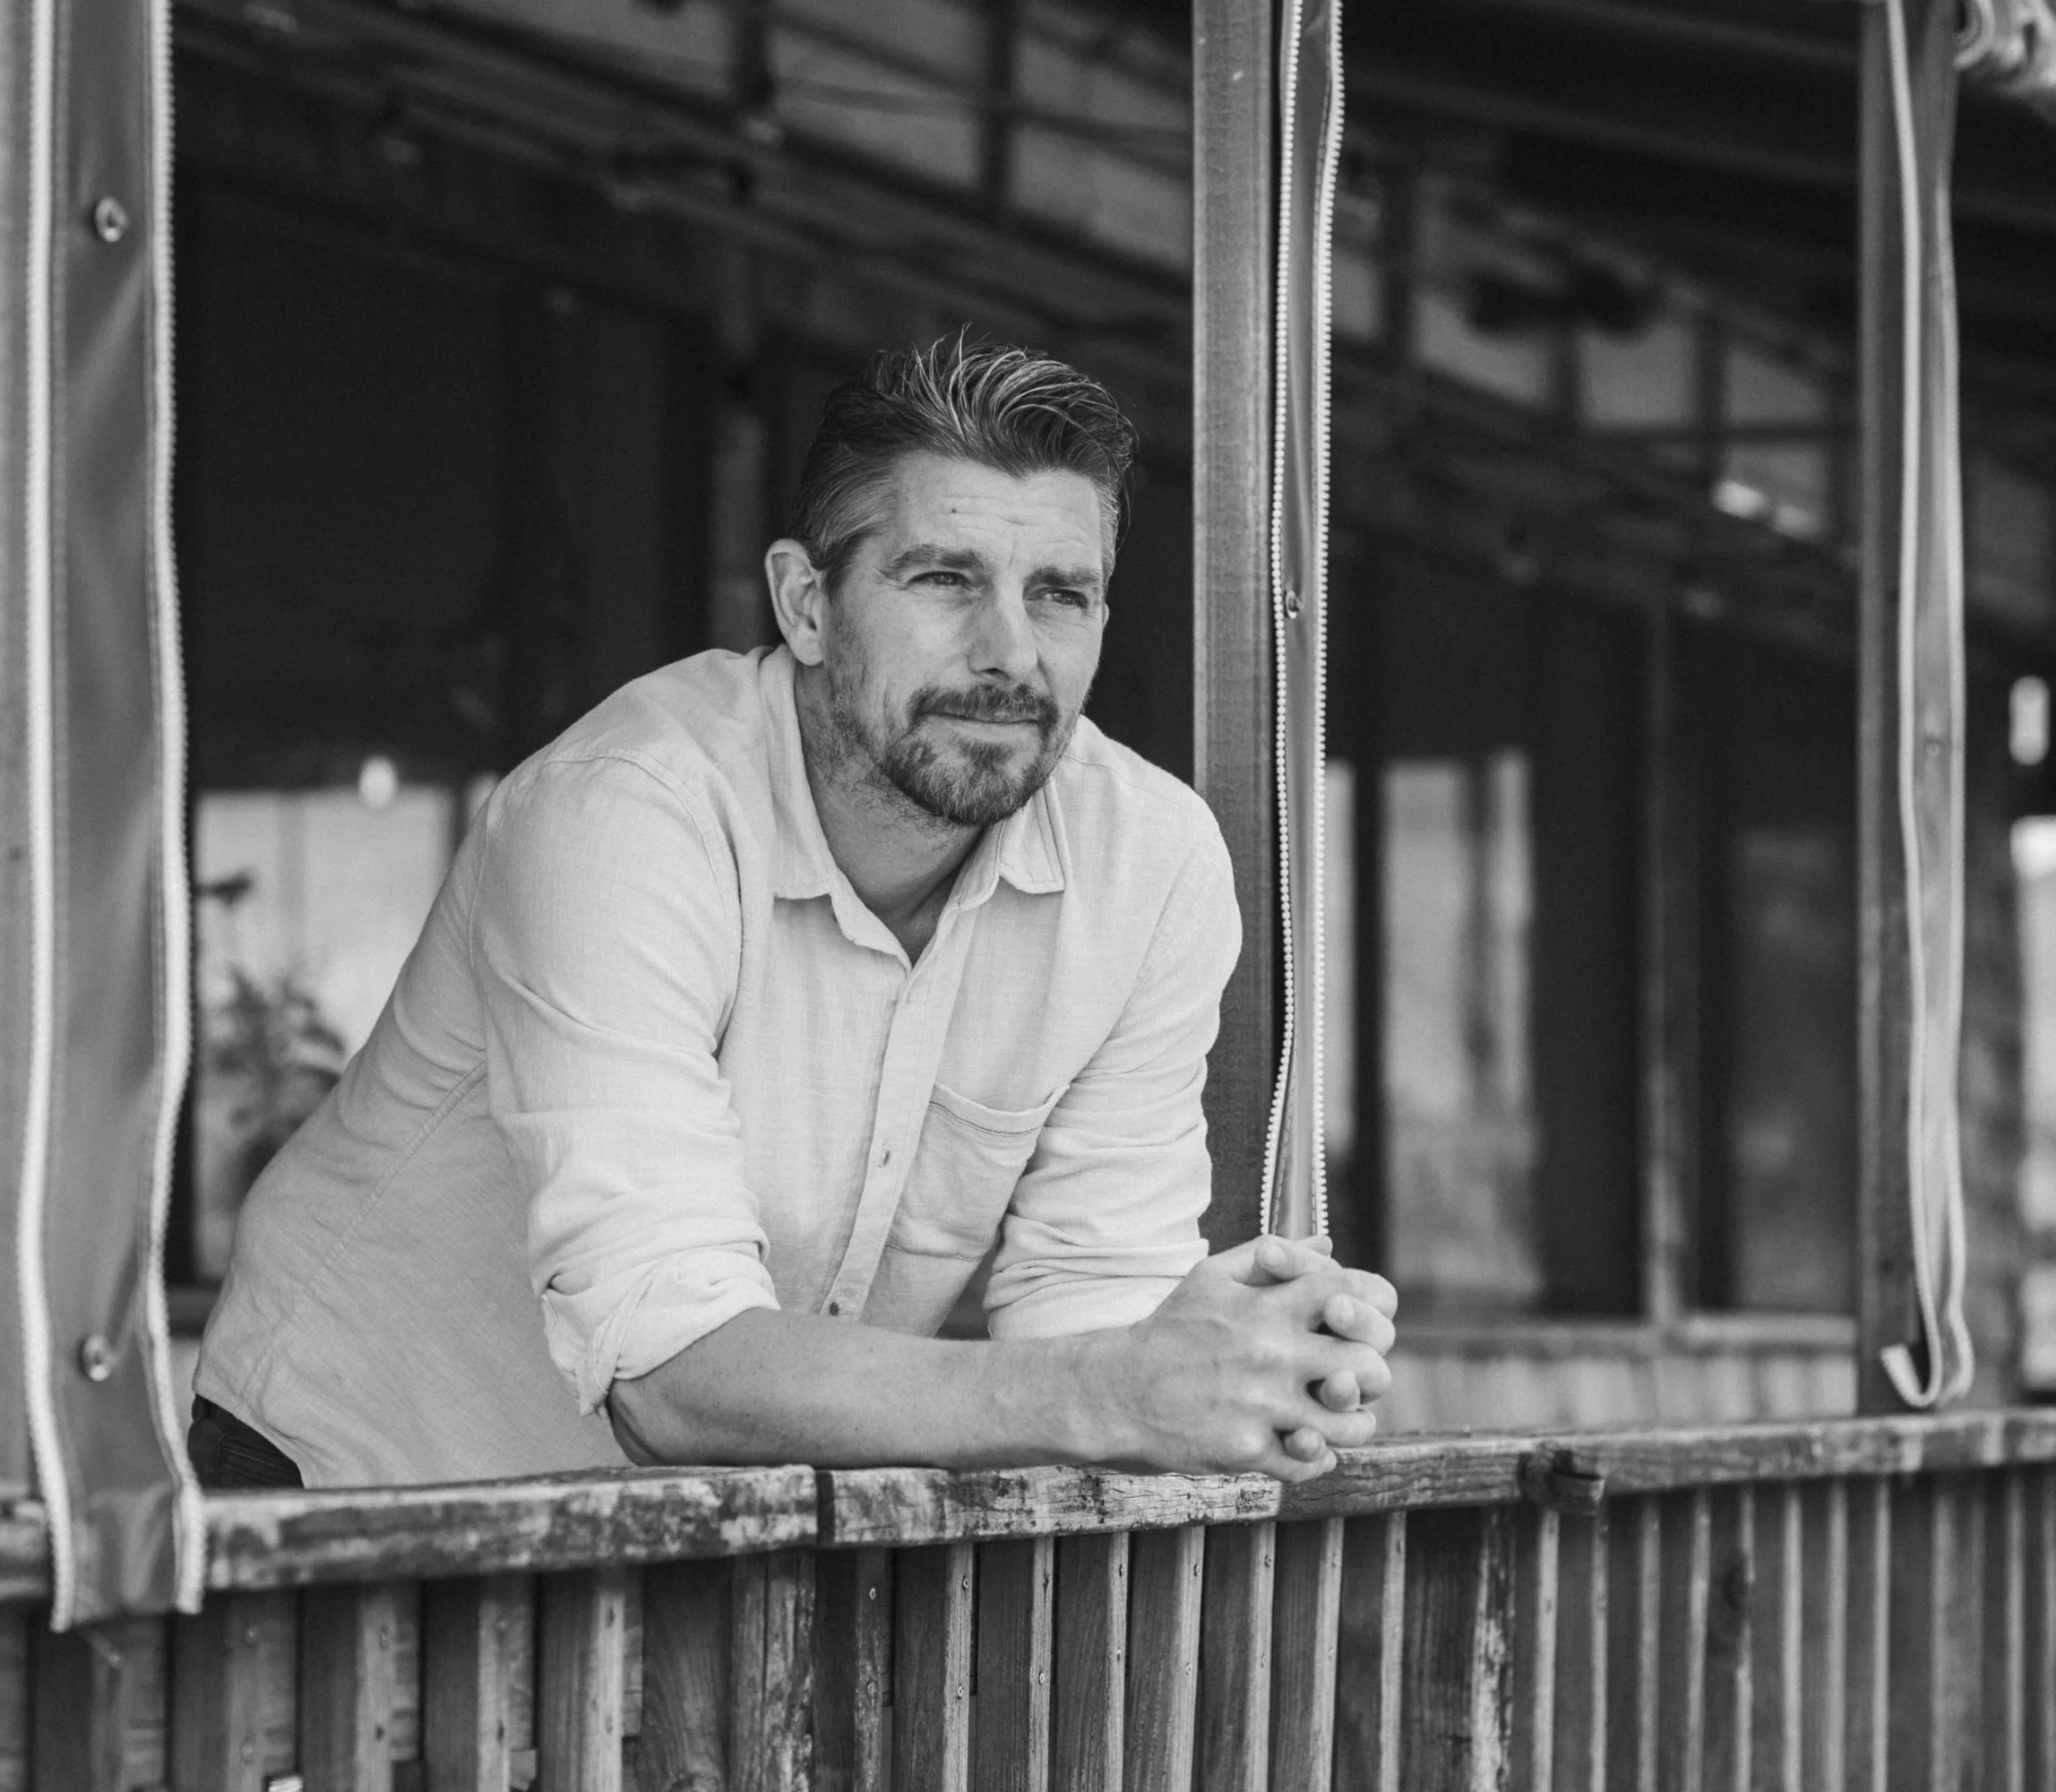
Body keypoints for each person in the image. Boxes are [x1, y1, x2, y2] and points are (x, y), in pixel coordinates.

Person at [189, 336, 1397, 1490]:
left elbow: (1098, 1309)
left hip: (702, 1528)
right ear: (805, 604)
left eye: (1062, 595)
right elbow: (671, 1374)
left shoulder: (1152, 862)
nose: (1009, 651)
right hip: (357, 1466)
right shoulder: (624, 815)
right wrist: (1108, 1391)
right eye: (944, 578)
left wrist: (1254, 1368)